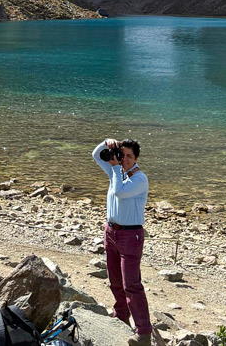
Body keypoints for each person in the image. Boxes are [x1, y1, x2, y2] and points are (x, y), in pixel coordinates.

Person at [92, 137, 151, 346]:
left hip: (130, 236)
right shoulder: (116, 173)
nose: (124, 159)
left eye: (128, 156)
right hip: (111, 232)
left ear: (136, 159)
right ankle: (121, 316)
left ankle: (144, 333)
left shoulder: (140, 179)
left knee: (131, 285)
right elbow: (95, 155)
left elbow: (119, 192)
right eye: (121, 154)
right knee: (115, 280)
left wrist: (116, 168)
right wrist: (106, 143)